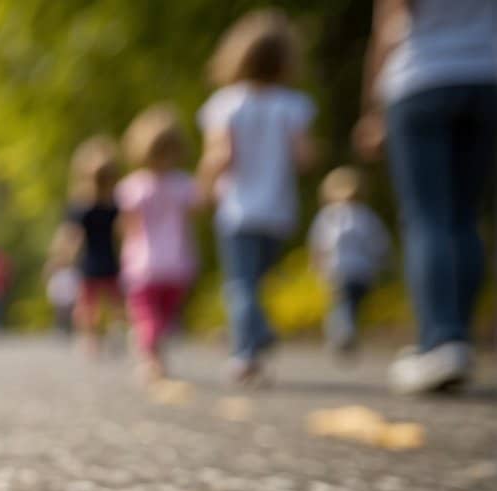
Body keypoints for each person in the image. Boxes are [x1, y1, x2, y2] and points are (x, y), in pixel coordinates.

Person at [355, 0, 497, 394]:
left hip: (421, 77)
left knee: (428, 217)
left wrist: (371, 108)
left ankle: (439, 340)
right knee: (465, 216)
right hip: (485, 76)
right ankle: (460, 339)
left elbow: (390, 23)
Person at [197, 9, 316, 384]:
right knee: (258, 281)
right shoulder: (292, 105)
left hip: (238, 209)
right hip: (278, 210)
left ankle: (246, 352)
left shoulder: (226, 104)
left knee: (242, 284)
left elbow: (220, 155)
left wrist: (202, 187)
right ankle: (256, 331)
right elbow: (304, 157)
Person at [116, 105, 202, 382]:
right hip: (177, 262)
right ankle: (154, 353)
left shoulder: (133, 186)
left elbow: (127, 226)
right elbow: (196, 211)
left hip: (144, 263)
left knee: (146, 315)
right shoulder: (183, 184)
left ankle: (151, 360)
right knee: (163, 316)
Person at [49, 136, 122, 353]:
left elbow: (72, 236)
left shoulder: (105, 205)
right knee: (96, 302)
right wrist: (62, 257)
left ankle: (101, 335)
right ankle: (97, 335)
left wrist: (61, 257)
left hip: (100, 261)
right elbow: (73, 235)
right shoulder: (88, 206)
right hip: (97, 261)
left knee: (101, 302)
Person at [308, 167, 391, 355]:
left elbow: (321, 242)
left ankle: (342, 332)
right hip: (363, 271)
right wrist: (382, 264)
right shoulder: (367, 216)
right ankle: (344, 331)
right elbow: (378, 243)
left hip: (338, 268)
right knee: (351, 304)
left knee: (341, 304)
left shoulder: (329, 216)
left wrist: (316, 265)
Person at [46, 265, 81, 336]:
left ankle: (69, 331)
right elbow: (53, 288)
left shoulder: (71, 274)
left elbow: (75, 286)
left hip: (69, 299)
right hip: (60, 301)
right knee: (60, 316)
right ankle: (60, 330)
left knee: (69, 316)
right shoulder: (57, 276)